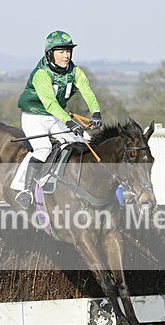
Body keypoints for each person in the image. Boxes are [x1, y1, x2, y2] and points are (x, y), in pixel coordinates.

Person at [12, 30, 103, 209]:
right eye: (61, 51)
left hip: (55, 116)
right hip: (34, 116)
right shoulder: (41, 74)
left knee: (85, 143)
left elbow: (87, 90)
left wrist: (96, 112)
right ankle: (26, 189)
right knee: (43, 149)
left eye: (68, 51)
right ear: (50, 54)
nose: (66, 55)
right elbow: (50, 103)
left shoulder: (75, 71)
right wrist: (69, 122)